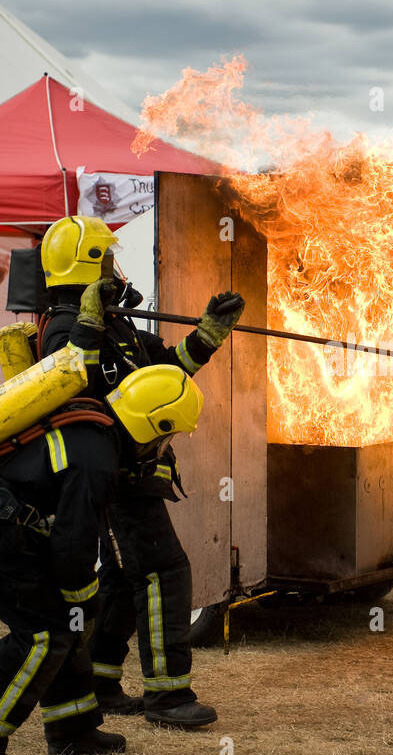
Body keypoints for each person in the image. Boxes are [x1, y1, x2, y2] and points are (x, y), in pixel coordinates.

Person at [0, 277, 205, 755]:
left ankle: (73, 729)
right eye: (166, 440)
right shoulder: (98, 457)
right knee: (41, 634)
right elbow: (75, 540)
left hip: (2, 525)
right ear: (153, 427)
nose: (163, 453)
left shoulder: (94, 428)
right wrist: (83, 589)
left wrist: (80, 598)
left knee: (66, 623)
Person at [38, 215, 244, 729]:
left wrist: (209, 334)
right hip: (114, 477)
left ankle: (101, 682)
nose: (115, 263)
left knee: (122, 578)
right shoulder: (66, 327)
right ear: (87, 265)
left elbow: (168, 369)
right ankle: (169, 697)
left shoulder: (117, 323)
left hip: (134, 470)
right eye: (106, 256)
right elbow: (68, 386)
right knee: (163, 573)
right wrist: (87, 324)